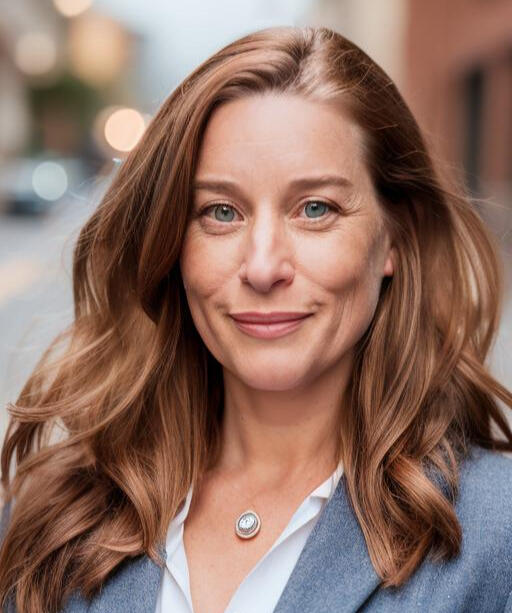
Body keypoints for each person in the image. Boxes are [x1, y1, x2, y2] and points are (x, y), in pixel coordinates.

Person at [1, 24, 512, 613]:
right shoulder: (53, 517)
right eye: (221, 212)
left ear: (394, 236)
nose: (264, 266)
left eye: (314, 209)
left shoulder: (493, 537)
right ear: (174, 244)